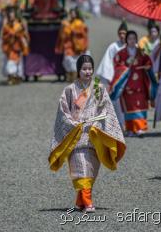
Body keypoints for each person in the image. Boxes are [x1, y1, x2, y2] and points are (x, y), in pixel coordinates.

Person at [48, 55, 126, 213]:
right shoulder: (70, 90)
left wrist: (97, 123)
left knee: (91, 169)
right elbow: (63, 112)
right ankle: (88, 202)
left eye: (90, 68)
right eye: (84, 69)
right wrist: (73, 123)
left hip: (94, 134)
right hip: (76, 134)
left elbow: (106, 109)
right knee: (80, 168)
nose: (88, 71)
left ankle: (79, 201)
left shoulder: (98, 87)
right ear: (78, 71)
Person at [110, 30, 157, 137]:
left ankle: (140, 127)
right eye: (130, 38)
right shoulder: (121, 54)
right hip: (127, 83)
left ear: (136, 40)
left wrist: (147, 66)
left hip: (140, 82)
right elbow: (117, 65)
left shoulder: (141, 52)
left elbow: (148, 62)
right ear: (126, 40)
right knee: (129, 106)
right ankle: (130, 128)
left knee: (140, 105)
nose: (132, 41)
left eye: (134, 38)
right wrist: (125, 65)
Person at [96, 21, 128, 128]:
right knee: (117, 101)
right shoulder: (113, 46)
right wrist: (110, 79)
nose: (122, 36)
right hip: (117, 78)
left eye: (124, 33)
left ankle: (130, 124)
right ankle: (120, 124)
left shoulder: (133, 46)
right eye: (120, 33)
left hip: (129, 78)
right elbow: (107, 63)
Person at [55, 8, 89, 82]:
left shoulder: (78, 23)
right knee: (68, 61)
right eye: (70, 13)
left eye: (73, 13)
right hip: (69, 45)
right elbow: (64, 34)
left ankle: (74, 79)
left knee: (74, 62)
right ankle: (70, 78)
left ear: (76, 14)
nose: (71, 15)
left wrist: (67, 26)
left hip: (77, 46)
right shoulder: (68, 22)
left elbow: (78, 32)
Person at [1, 7, 30, 85]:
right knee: (10, 61)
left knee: (16, 61)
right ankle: (12, 75)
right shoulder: (6, 26)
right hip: (9, 47)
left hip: (17, 46)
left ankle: (16, 76)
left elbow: (24, 35)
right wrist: (10, 35)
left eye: (12, 14)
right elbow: (3, 36)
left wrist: (20, 34)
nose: (11, 16)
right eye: (10, 14)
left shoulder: (19, 24)